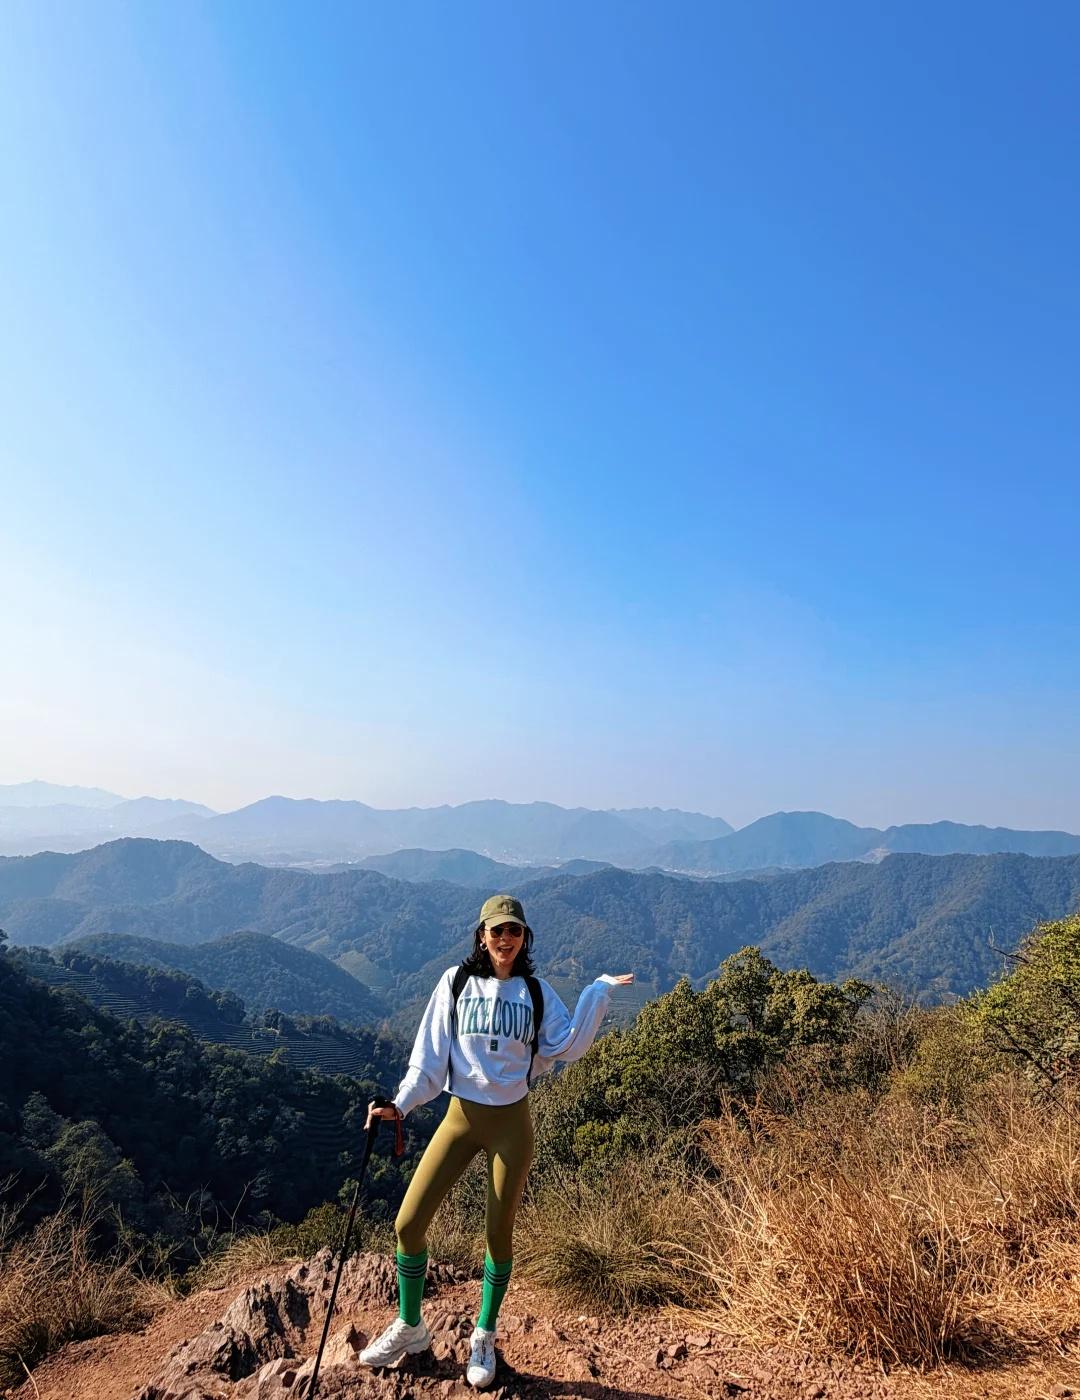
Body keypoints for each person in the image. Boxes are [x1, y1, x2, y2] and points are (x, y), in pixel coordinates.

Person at [359, 893, 634, 1389]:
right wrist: (400, 1105)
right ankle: (411, 1326)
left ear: (524, 938)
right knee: (408, 1223)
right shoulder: (456, 983)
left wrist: (597, 991)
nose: (505, 939)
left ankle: (484, 1333)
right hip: (460, 1117)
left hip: (512, 1123)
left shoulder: (537, 991)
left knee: (497, 1235)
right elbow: (428, 1057)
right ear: (481, 937)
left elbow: (566, 1045)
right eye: (496, 931)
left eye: (514, 931)